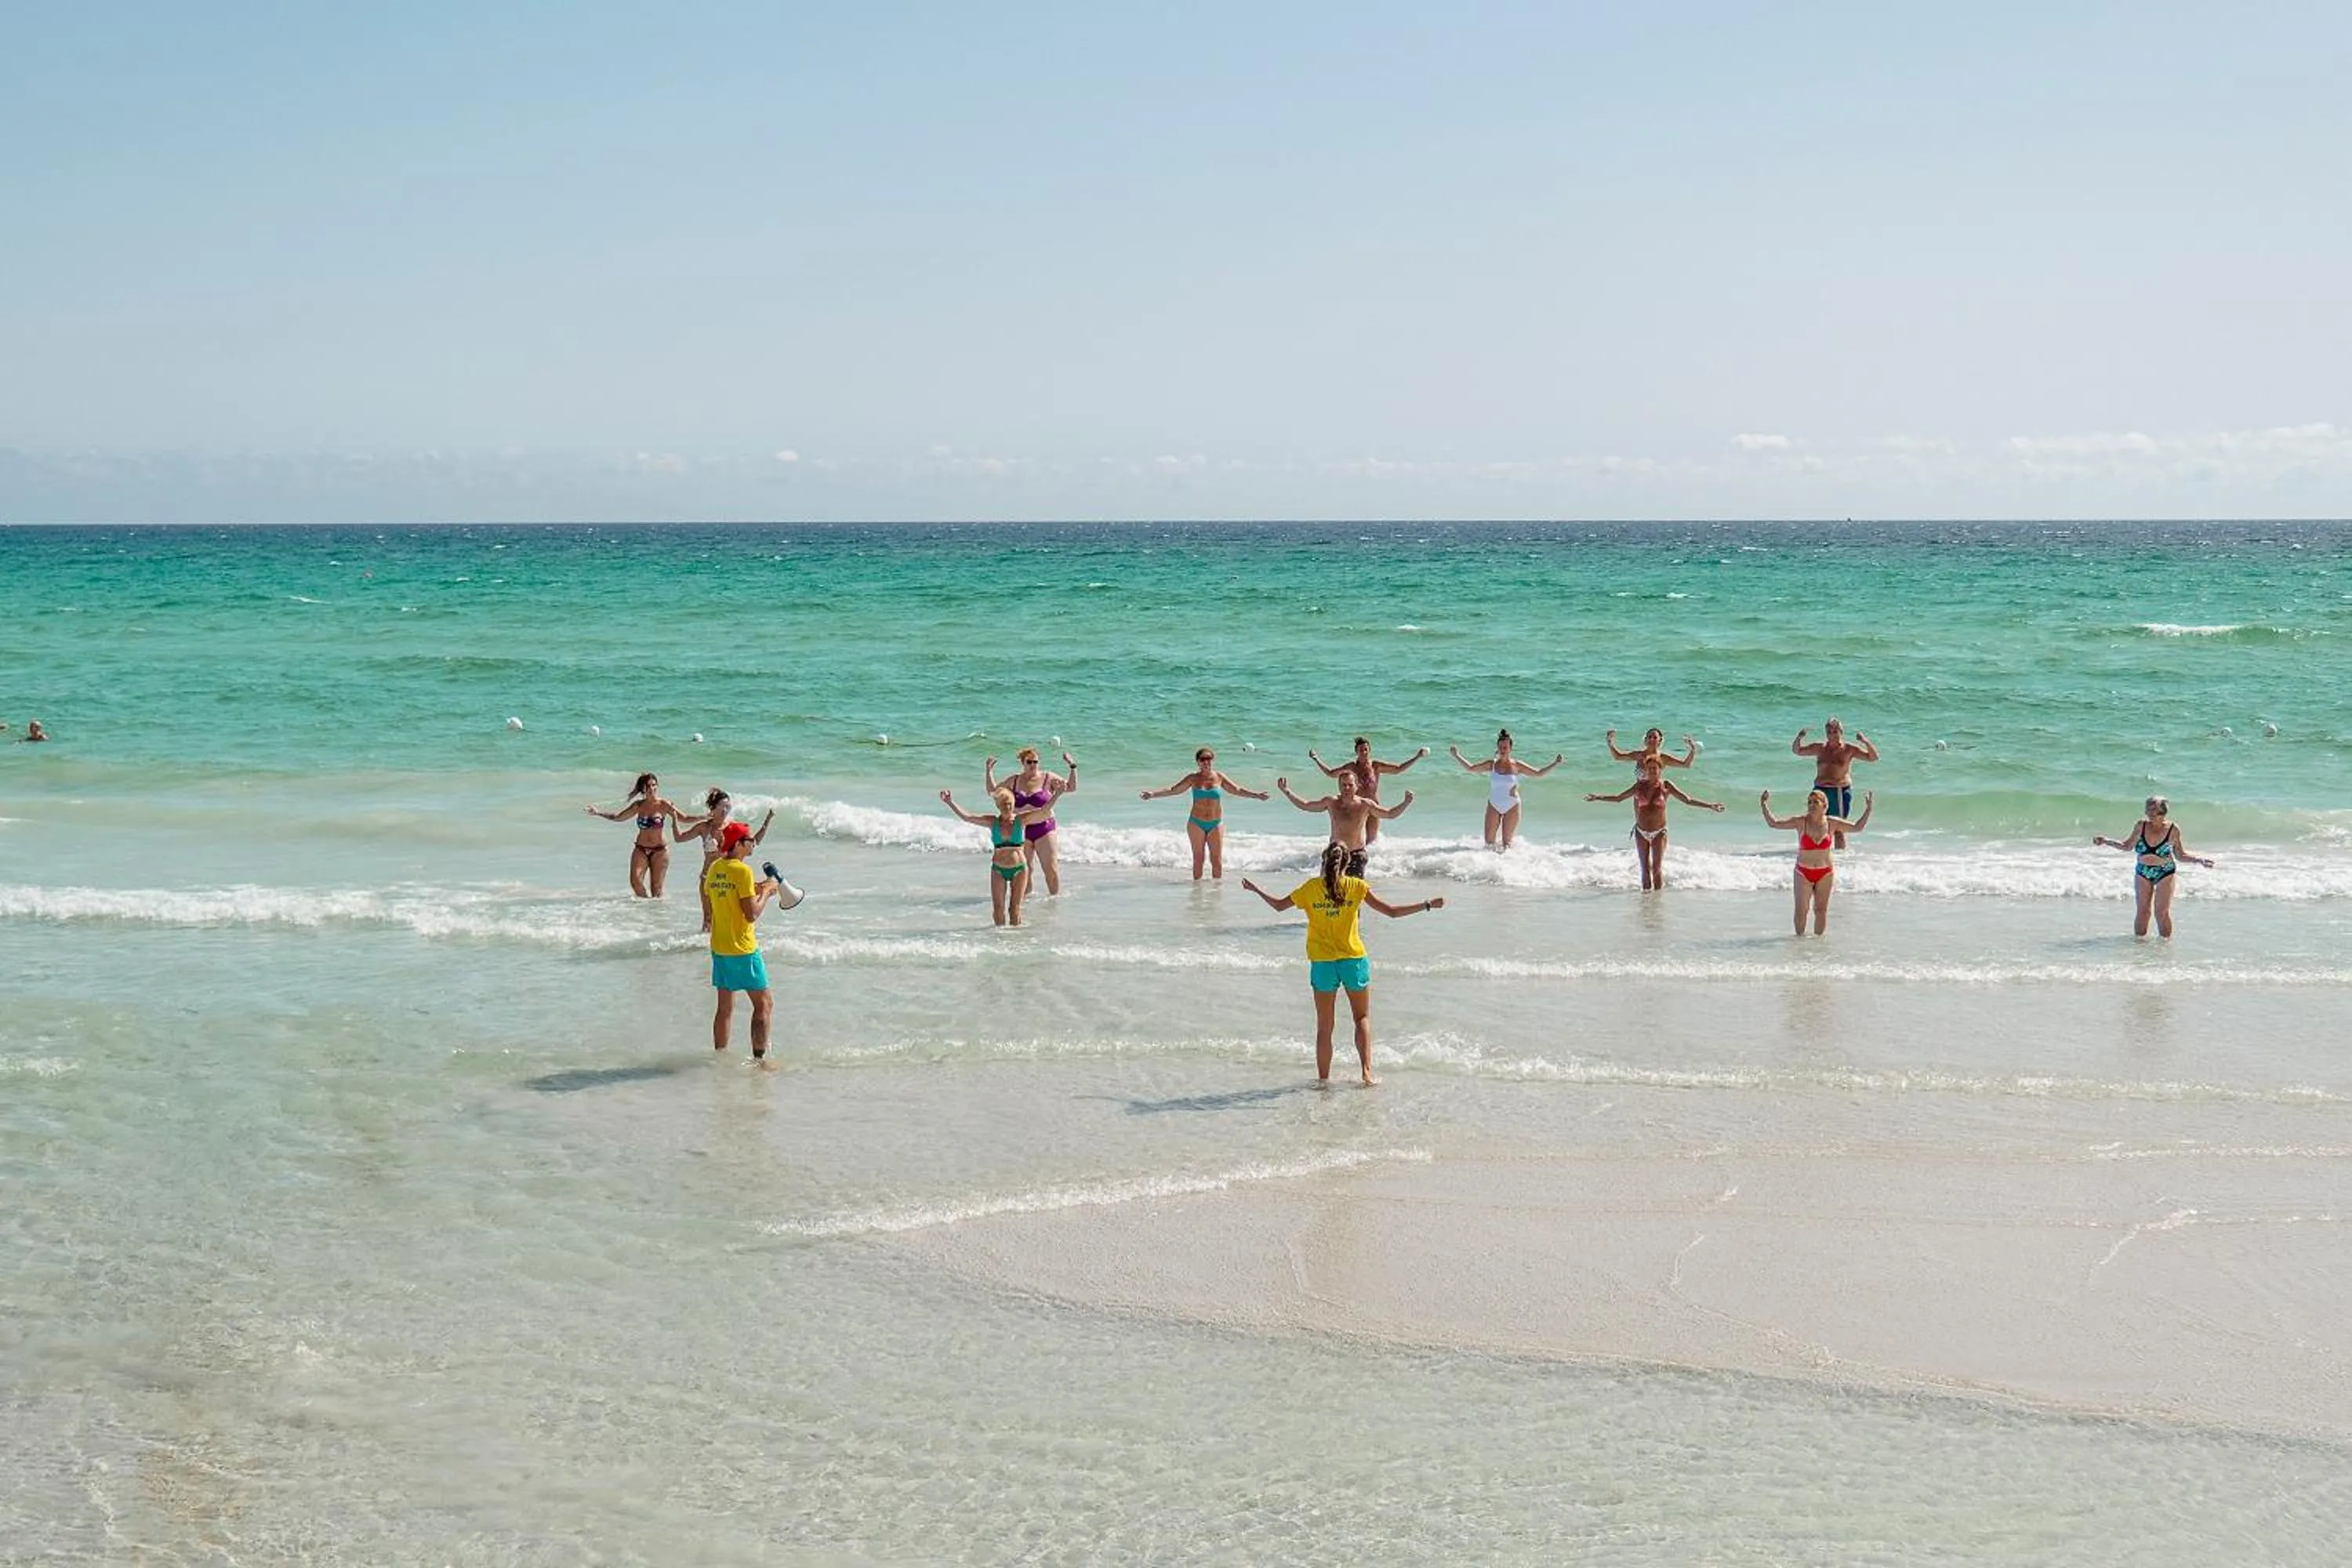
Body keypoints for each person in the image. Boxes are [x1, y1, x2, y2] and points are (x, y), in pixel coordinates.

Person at [1241, 841, 1444, 1086]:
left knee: (1324, 1027)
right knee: (1362, 1018)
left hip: (1323, 963)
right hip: (1353, 960)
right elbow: (1391, 912)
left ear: (1323, 862)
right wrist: (1427, 905)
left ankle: (1323, 1080)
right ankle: (1366, 1073)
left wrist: (1256, 889)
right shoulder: (1357, 886)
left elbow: (1278, 906)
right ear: (1347, 863)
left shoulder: (1310, 888)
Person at [704, 822, 786, 1063]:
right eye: (749, 840)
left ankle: (720, 1057)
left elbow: (722, 895)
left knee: (725, 1008)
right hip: (743, 948)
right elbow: (751, 913)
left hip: (720, 946)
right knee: (764, 1004)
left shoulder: (716, 867)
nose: (753, 843)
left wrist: (755, 887)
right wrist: (767, 893)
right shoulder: (743, 871)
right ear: (739, 844)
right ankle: (760, 1061)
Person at [1588, 757, 1724, 889]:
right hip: (1641, 832)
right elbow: (1619, 798)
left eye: (1655, 768)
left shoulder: (1666, 786)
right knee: (1645, 869)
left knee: (1657, 869)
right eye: (1650, 768)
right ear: (1646, 770)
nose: (1652, 771)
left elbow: (1687, 800)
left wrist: (1710, 805)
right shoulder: (1639, 786)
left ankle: (1658, 901)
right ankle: (1647, 903)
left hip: (1659, 832)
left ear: (1660, 769)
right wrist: (1598, 797)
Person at [2093, 797, 2214, 938]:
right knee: (2143, 911)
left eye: (2153, 809)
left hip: (2165, 872)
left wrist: (2200, 860)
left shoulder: (2173, 829)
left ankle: (2165, 948)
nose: (2149, 812)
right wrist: (2107, 841)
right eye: (2147, 808)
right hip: (2143, 871)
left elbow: (2180, 855)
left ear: (2163, 812)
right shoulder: (2141, 826)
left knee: (2161, 912)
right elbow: (2127, 846)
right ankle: (2139, 947)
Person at [1140, 747, 1269, 880]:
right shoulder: (1193, 778)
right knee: (1198, 859)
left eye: (1209, 759)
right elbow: (1174, 790)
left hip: (1216, 823)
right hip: (1196, 822)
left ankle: (1216, 892)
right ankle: (1197, 893)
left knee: (1217, 861)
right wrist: (1152, 794)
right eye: (1203, 759)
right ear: (1198, 762)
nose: (1206, 762)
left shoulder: (1219, 777)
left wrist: (1257, 795)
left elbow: (1237, 790)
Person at [1760, 788, 1872, 935]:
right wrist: (1764, 804)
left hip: (1825, 872)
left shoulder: (1832, 823)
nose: (1811, 805)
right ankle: (1799, 942)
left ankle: (1817, 948)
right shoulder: (1801, 822)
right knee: (1801, 910)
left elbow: (1857, 827)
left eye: (1815, 802)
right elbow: (1774, 823)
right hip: (1803, 872)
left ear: (1825, 806)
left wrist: (1868, 809)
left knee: (1821, 910)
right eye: (1809, 802)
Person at [941, 788, 1058, 925]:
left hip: (1019, 870)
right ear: (998, 806)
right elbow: (967, 817)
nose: (1007, 807)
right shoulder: (992, 821)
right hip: (998, 870)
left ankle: (1014, 941)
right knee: (998, 908)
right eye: (1003, 804)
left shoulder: (1021, 820)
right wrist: (950, 802)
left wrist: (1058, 793)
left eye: (1009, 804)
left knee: (1014, 909)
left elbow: (1045, 812)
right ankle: (999, 939)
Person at [675, 789, 775, 934]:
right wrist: (673, 818)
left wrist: (767, 821)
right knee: (708, 918)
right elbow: (679, 838)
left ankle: (726, 943)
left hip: (728, 879)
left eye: (728, 806)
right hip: (708, 878)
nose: (725, 810)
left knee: (728, 916)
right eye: (722, 806)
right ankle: (704, 948)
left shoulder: (732, 828)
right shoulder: (704, 827)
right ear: (713, 808)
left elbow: (754, 841)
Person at [985, 747, 1078, 895]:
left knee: (1051, 869)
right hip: (1022, 830)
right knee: (1025, 871)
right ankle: (1026, 907)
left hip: (1044, 829)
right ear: (1023, 763)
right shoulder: (1014, 780)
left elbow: (1072, 787)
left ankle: (1054, 904)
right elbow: (993, 791)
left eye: (1036, 762)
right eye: (1029, 762)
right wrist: (989, 770)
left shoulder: (1048, 778)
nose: (1033, 765)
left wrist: (1072, 766)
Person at [1448, 729, 1563, 850]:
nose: (1503, 749)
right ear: (1497, 747)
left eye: (1506, 747)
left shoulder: (1517, 765)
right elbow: (1471, 768)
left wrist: (1555, 763)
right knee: (1489, 843)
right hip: (1494, 804)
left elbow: (1538, 773)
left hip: (1512, 806)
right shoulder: (1491, 764)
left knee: (1506, 845)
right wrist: (1457, 756)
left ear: (1510, 748)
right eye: (1501, 746)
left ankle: (1506, 866)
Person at [1307, 736, 1427, 843]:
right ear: (1356, 752)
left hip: (1373, 806)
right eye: (1361, 750)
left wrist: (1417, 757)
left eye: (1366, 750)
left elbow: (1398, 769)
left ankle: (1370, 866)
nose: (1364, 752)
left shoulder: (1376, 766)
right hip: (1356, 807)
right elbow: (1331, 773)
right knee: (1354, 839)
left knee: (1372, 841)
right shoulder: (1351, 767)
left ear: (1369, 750)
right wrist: (1316, 759)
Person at [583, 772, 681, 897]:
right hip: (641, 849)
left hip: (660, 851)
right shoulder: (638, 806)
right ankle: (645, 907)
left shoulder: (664, 805)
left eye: (654, 785)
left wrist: (703, 818)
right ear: (643, 789)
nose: (651, 789)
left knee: (656, 889)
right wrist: (598, 813)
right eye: (648, 786)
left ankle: (655, 913)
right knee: (635, 882)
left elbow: (684, 818)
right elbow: (618, 817)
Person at [1276, 771, 1414, 857]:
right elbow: (1305, 805)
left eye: (1350, 785)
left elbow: (1390, 814)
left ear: (1357, 786)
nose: (1346, 788)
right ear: (1339, 786)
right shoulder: (1331, 802)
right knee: (1330, 895)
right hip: (1335, 853)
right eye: (1343, 785)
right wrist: (1287, 791)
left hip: (1356, 854)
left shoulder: (1365, 804)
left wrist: (1405, 803)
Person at [1792, 718, 1879, 847]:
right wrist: (1799, 737)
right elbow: (1797, 751)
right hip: (1819, 790)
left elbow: (1873, 757)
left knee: (1838, 829)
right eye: (1829, 732)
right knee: (1816, 825)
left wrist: (1864, 741)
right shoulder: (1820, 748)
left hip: (1838, 791)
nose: (1832, 734)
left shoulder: (1849, 749)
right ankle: (1818, 857)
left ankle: (1840, 860)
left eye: (1835, 731)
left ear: (1841, 732)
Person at [1605, 728, 1696, 771]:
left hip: (1656, 792)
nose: (1652, 739)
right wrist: (1610, 743)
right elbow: (1618, 757)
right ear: (1645, 739)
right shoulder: (1638, 755)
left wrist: (1693, 749)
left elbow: (1685, 765)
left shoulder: (1663, 758)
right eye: (1649, 737)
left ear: (1660, 740)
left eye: (1655, 737)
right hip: (1639, 792)